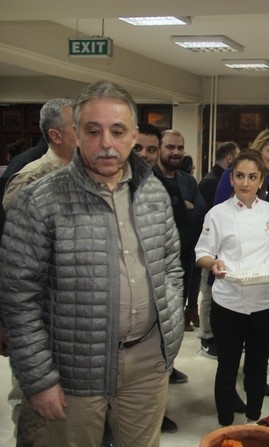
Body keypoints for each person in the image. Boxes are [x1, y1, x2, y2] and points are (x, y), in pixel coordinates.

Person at [0, 80, 184, 447]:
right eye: (93, 130)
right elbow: (18, 299)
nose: (106, 142)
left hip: (147, 364)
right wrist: (39, 379)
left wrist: (171, 336)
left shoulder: (153, 194)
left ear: (133, 136)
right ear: (76, 134)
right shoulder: (40, 200)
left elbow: (172, 267)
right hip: (74, 370)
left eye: (117, 131)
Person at [195, 149, 269, 426]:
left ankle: (255, 421)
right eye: (240, 176)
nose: (245, 182)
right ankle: (224, 424)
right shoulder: (217, 214)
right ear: (231, 179)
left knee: (257, 369)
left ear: (261, 181)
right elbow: (201, 253)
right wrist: (214, 263)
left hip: (265, 301)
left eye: (252, 177)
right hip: (228, 301)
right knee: (227, 367)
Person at [1, 98, 77, 447]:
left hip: (76, 322)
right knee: (39, 420)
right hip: (40, 322)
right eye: (81, 127)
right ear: (55, 135)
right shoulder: (32, 179)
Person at [134, 123, 187, 434]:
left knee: (152, 378)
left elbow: (171, 259)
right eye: (138, 148)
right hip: (115, 320)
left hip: (156, 309)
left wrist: (171, 300)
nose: (145, 155)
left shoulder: (156, 192)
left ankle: (155, 415)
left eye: (151, 149)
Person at [153, 129, 207, 332]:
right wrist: (184, 208)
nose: (176, 152)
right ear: (160, 149)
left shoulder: (188, 180)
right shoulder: (149, 179)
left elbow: (201, 211)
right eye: (170, 147)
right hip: (155, 258)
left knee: (175, 314)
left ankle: (170, 362)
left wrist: (180, 209)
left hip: (183, 257)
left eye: (180, 147)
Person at [197, 141, 240, 358]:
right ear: (231, 160)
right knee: (208, 294)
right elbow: (205, 217)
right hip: (211, 249)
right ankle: (206, 336)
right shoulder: (211, 181)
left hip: (224, 250)